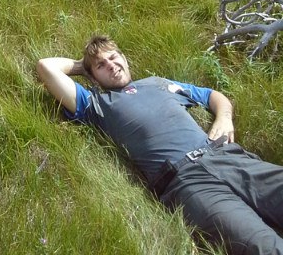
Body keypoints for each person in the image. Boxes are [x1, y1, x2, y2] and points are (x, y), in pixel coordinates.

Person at [37, 34, 283, 255]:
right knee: (264, 247)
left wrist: (224, 116)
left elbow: (211, 96)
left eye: (113, 57)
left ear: (124, 57)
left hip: (227, 156)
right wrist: (85, 65)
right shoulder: (96, 105)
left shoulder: (159, 83)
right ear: (93, 76)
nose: (111, 65)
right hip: (188, 183)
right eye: (101, 65)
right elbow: (46, 67)